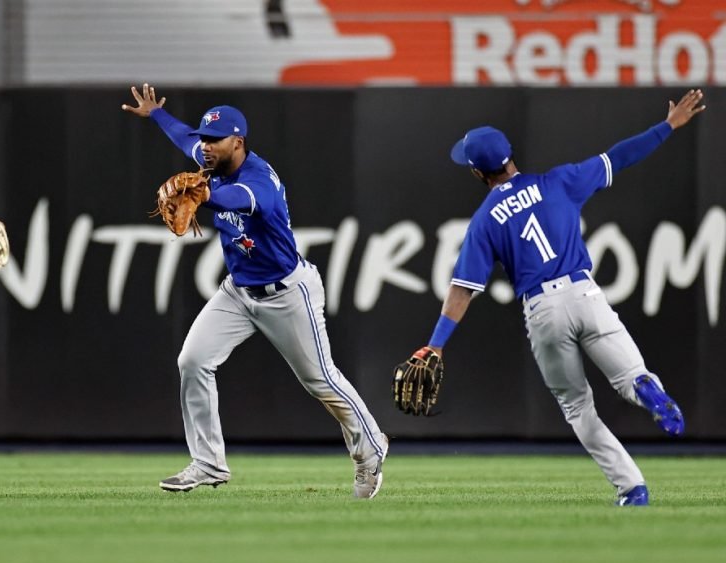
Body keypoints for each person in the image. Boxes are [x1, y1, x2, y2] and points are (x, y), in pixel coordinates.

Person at [423, 89, 704, 506]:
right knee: (631, 376)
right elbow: (619, 157)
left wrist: (436, 344)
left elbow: (463, 290)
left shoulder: (485, 220)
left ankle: (633, 489)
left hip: (543, 309)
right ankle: (646, 387)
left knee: (577, 407)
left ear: (478, 173)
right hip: (584, 291)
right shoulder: (559, 181)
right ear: (510, 156)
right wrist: (667, 126)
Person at [122, 84, 389, 498]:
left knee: (321, 380)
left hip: (288, 293)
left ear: (238, 142)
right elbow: (184, 136)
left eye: (216, 140)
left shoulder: (258, 180)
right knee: (193, 360)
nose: (206, 147)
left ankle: (370, 451)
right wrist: (157, 114)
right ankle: (208, 463)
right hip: (238, 292)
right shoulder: (211, 155)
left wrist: (206, 194)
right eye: (206, 139)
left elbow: (237, 200)